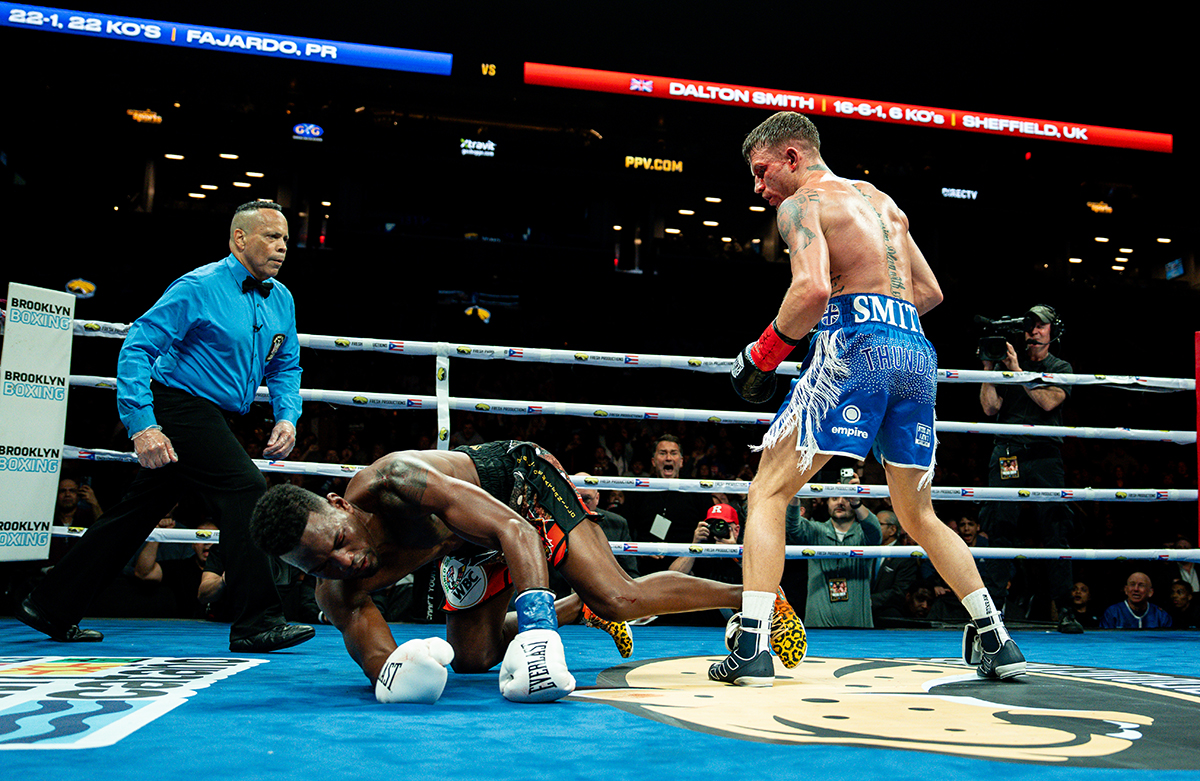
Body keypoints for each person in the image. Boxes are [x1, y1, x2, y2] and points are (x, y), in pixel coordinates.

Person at [713, 111, 1023, 687]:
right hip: (914, 350)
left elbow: (810, 290)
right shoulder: (884, 203)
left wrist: (761, 355)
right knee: (918, 513)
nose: (758, 187)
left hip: (856, 347)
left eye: (760, 172)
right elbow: (928, 292)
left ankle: (752, 643)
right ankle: (994, 637)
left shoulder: (802, 204)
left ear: (792, 157)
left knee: (767, 491)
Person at [249, 441, 804, 704]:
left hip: (516, 491)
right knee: (471, 660)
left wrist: (539, 635)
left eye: (339, 545)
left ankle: (752, 597)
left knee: (620, 597)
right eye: (321, 565)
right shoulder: (338, 593)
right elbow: (383, 670)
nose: (344, 563)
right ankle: (576, 608)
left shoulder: (398, 479)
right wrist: (398, 675)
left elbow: (513, 530)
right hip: (465, 546)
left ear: (340, 505)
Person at [16, 201, 314, 652]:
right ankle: (257, 621)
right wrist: (143, 425)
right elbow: (136, 347)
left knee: (135, 513)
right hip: (179, 406)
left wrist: (287, 416)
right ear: (239, 238)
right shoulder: (198, 286)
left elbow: (286, 365)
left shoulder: (282, 298)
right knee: (246, 488)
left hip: (214, 414)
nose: (281, 247)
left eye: (286, 240)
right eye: (271, 237)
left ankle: (50, 604)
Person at [978, 305, 1075, 628]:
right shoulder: (1007, 363)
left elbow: (1048, 401)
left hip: (1045, 456)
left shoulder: (1060, 366)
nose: (1033, 332)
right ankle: (995, 613)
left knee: (1055, 531)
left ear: (1053, 332)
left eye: (1041, 327)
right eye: (1029, 326)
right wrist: (990, 368)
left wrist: (1017, 370)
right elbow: (990, 408)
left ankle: (1064, 609)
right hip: (1007, 454)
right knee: (1000, 531)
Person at [785, 482, 881, 628]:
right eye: (834, 498)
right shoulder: (816, 530)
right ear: (827, 502)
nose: (840, 502)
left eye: (846, 498)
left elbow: (875, 531)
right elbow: (792, 526)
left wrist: (857, 501)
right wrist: (795, 494)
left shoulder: (863, 535)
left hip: (858, 624)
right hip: (818, 623)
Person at [619, 434, 711, 573]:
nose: (668, 458)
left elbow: (709, 530)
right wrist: (641, 548)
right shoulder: (639, 490)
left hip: (690, 567)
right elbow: (626, 530)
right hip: (646, 569)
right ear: (654, 461)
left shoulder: (696, 490)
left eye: (673, 453)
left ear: (681, 461)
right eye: (663, 453)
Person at [870, 509, 920, 623]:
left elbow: (899, 591)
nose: (873, 527)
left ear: (892, 530)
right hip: (865, 610)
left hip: (888, 612)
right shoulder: (869, 550)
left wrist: (870, 600)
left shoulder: (904, 556)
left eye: (878, 524)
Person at [1100, 572, 1172, 629]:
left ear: (1150, 592)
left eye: (1141, 585)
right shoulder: (1112, 613)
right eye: (1132, 584)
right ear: (1126, 590)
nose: (1136, 589)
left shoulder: (1161, 615)